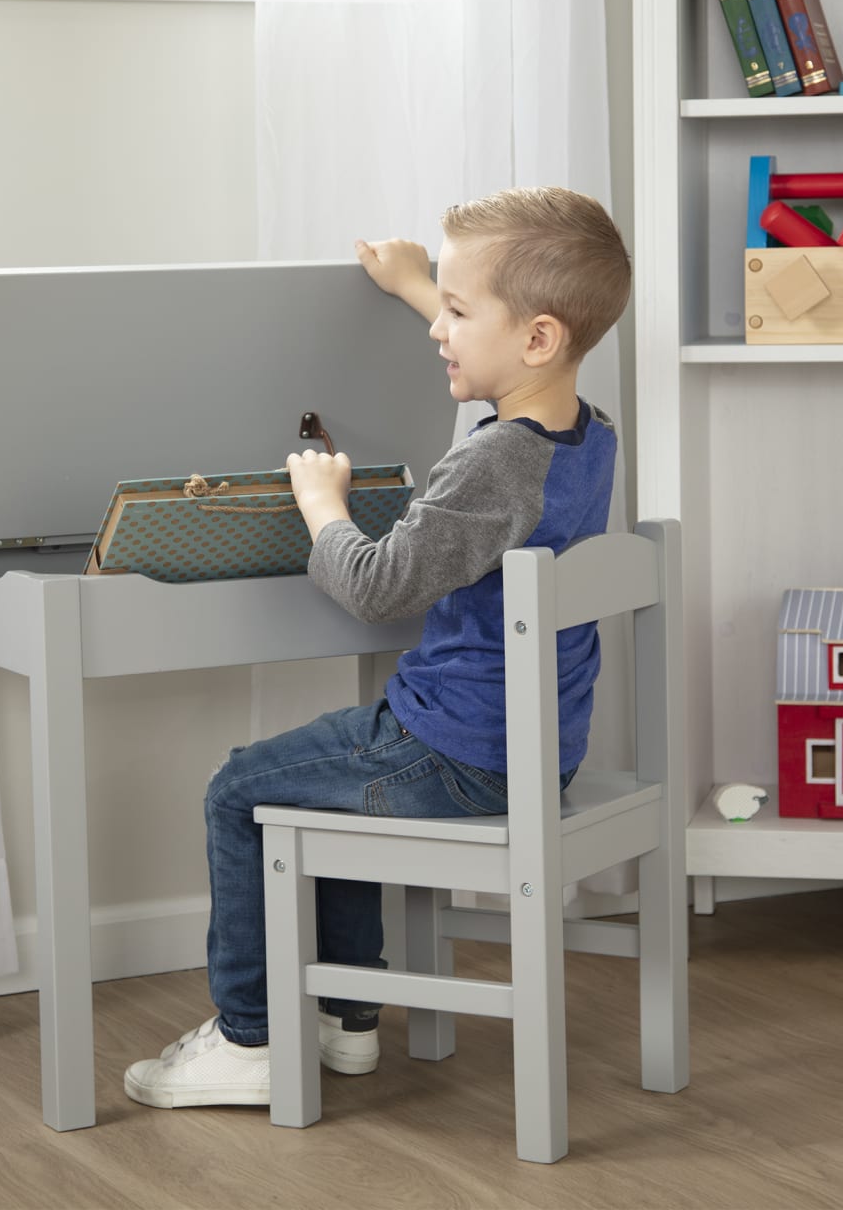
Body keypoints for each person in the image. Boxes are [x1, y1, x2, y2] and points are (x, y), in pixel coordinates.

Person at [124, 185, 631, 1109]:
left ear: (537, 339)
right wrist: (416, 284)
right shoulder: (585, 436)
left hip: (455, 752)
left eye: (457, 309)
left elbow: (377, 587)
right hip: (532, 752)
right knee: (339, 791)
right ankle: (346, 1020)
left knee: (239, 787)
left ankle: (251, 1041)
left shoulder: (489, 463)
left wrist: (324, 505)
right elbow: (495, 350)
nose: (442, 327)